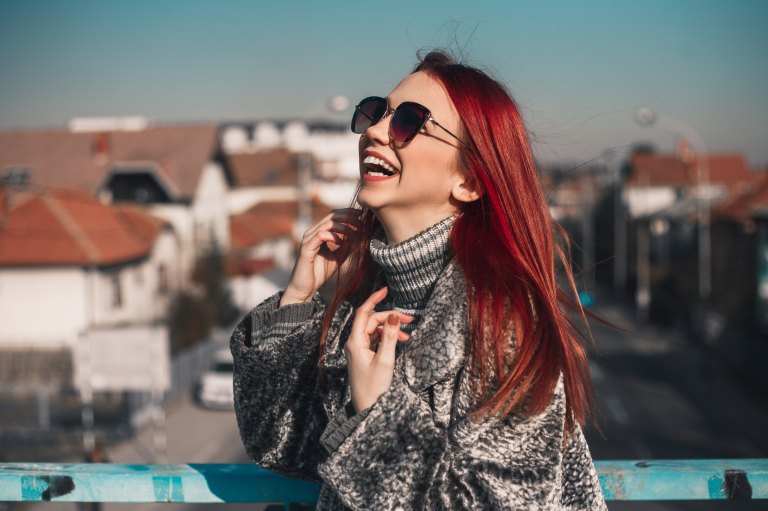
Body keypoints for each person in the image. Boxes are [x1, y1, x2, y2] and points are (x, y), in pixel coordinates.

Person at [231, 50, 607, 510]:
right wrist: (297, 300)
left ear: (469, 180)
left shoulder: (501, 321)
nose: (373, 130)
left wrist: (376, 420)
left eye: (409, 121)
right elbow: (280, 445)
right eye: (377, 112)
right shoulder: (372, 299)